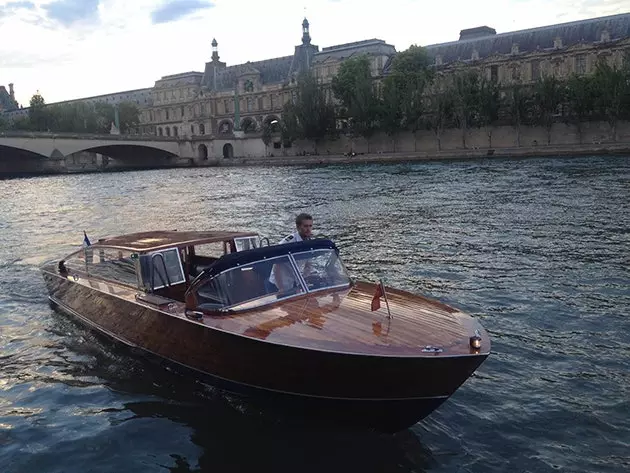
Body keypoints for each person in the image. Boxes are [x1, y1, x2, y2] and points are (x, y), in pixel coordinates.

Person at [268, 213, 314, 292]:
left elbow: (308, 265)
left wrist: (304, 280)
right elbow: (276, 267)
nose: (308, 229)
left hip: (294, 283)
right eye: (305, 226)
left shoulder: (309, 242)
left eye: (310, 226)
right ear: (298, 227)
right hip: (277, 285)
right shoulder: (287, 243)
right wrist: (281, 288)